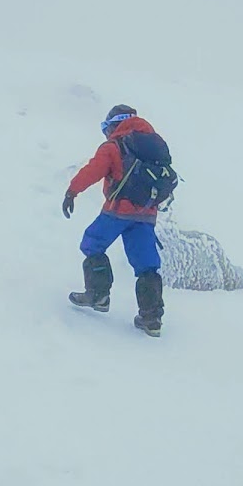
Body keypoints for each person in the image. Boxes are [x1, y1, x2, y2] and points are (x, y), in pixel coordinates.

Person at [62, 104, 167, 335]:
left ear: (114, 124)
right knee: (147, 264)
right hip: (147, 214)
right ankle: (152, 319)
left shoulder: (115, 145)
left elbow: (93, 170)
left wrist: (72, 191)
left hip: (118, 209)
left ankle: (98, 295)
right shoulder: (153, 143)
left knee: (92, 243)